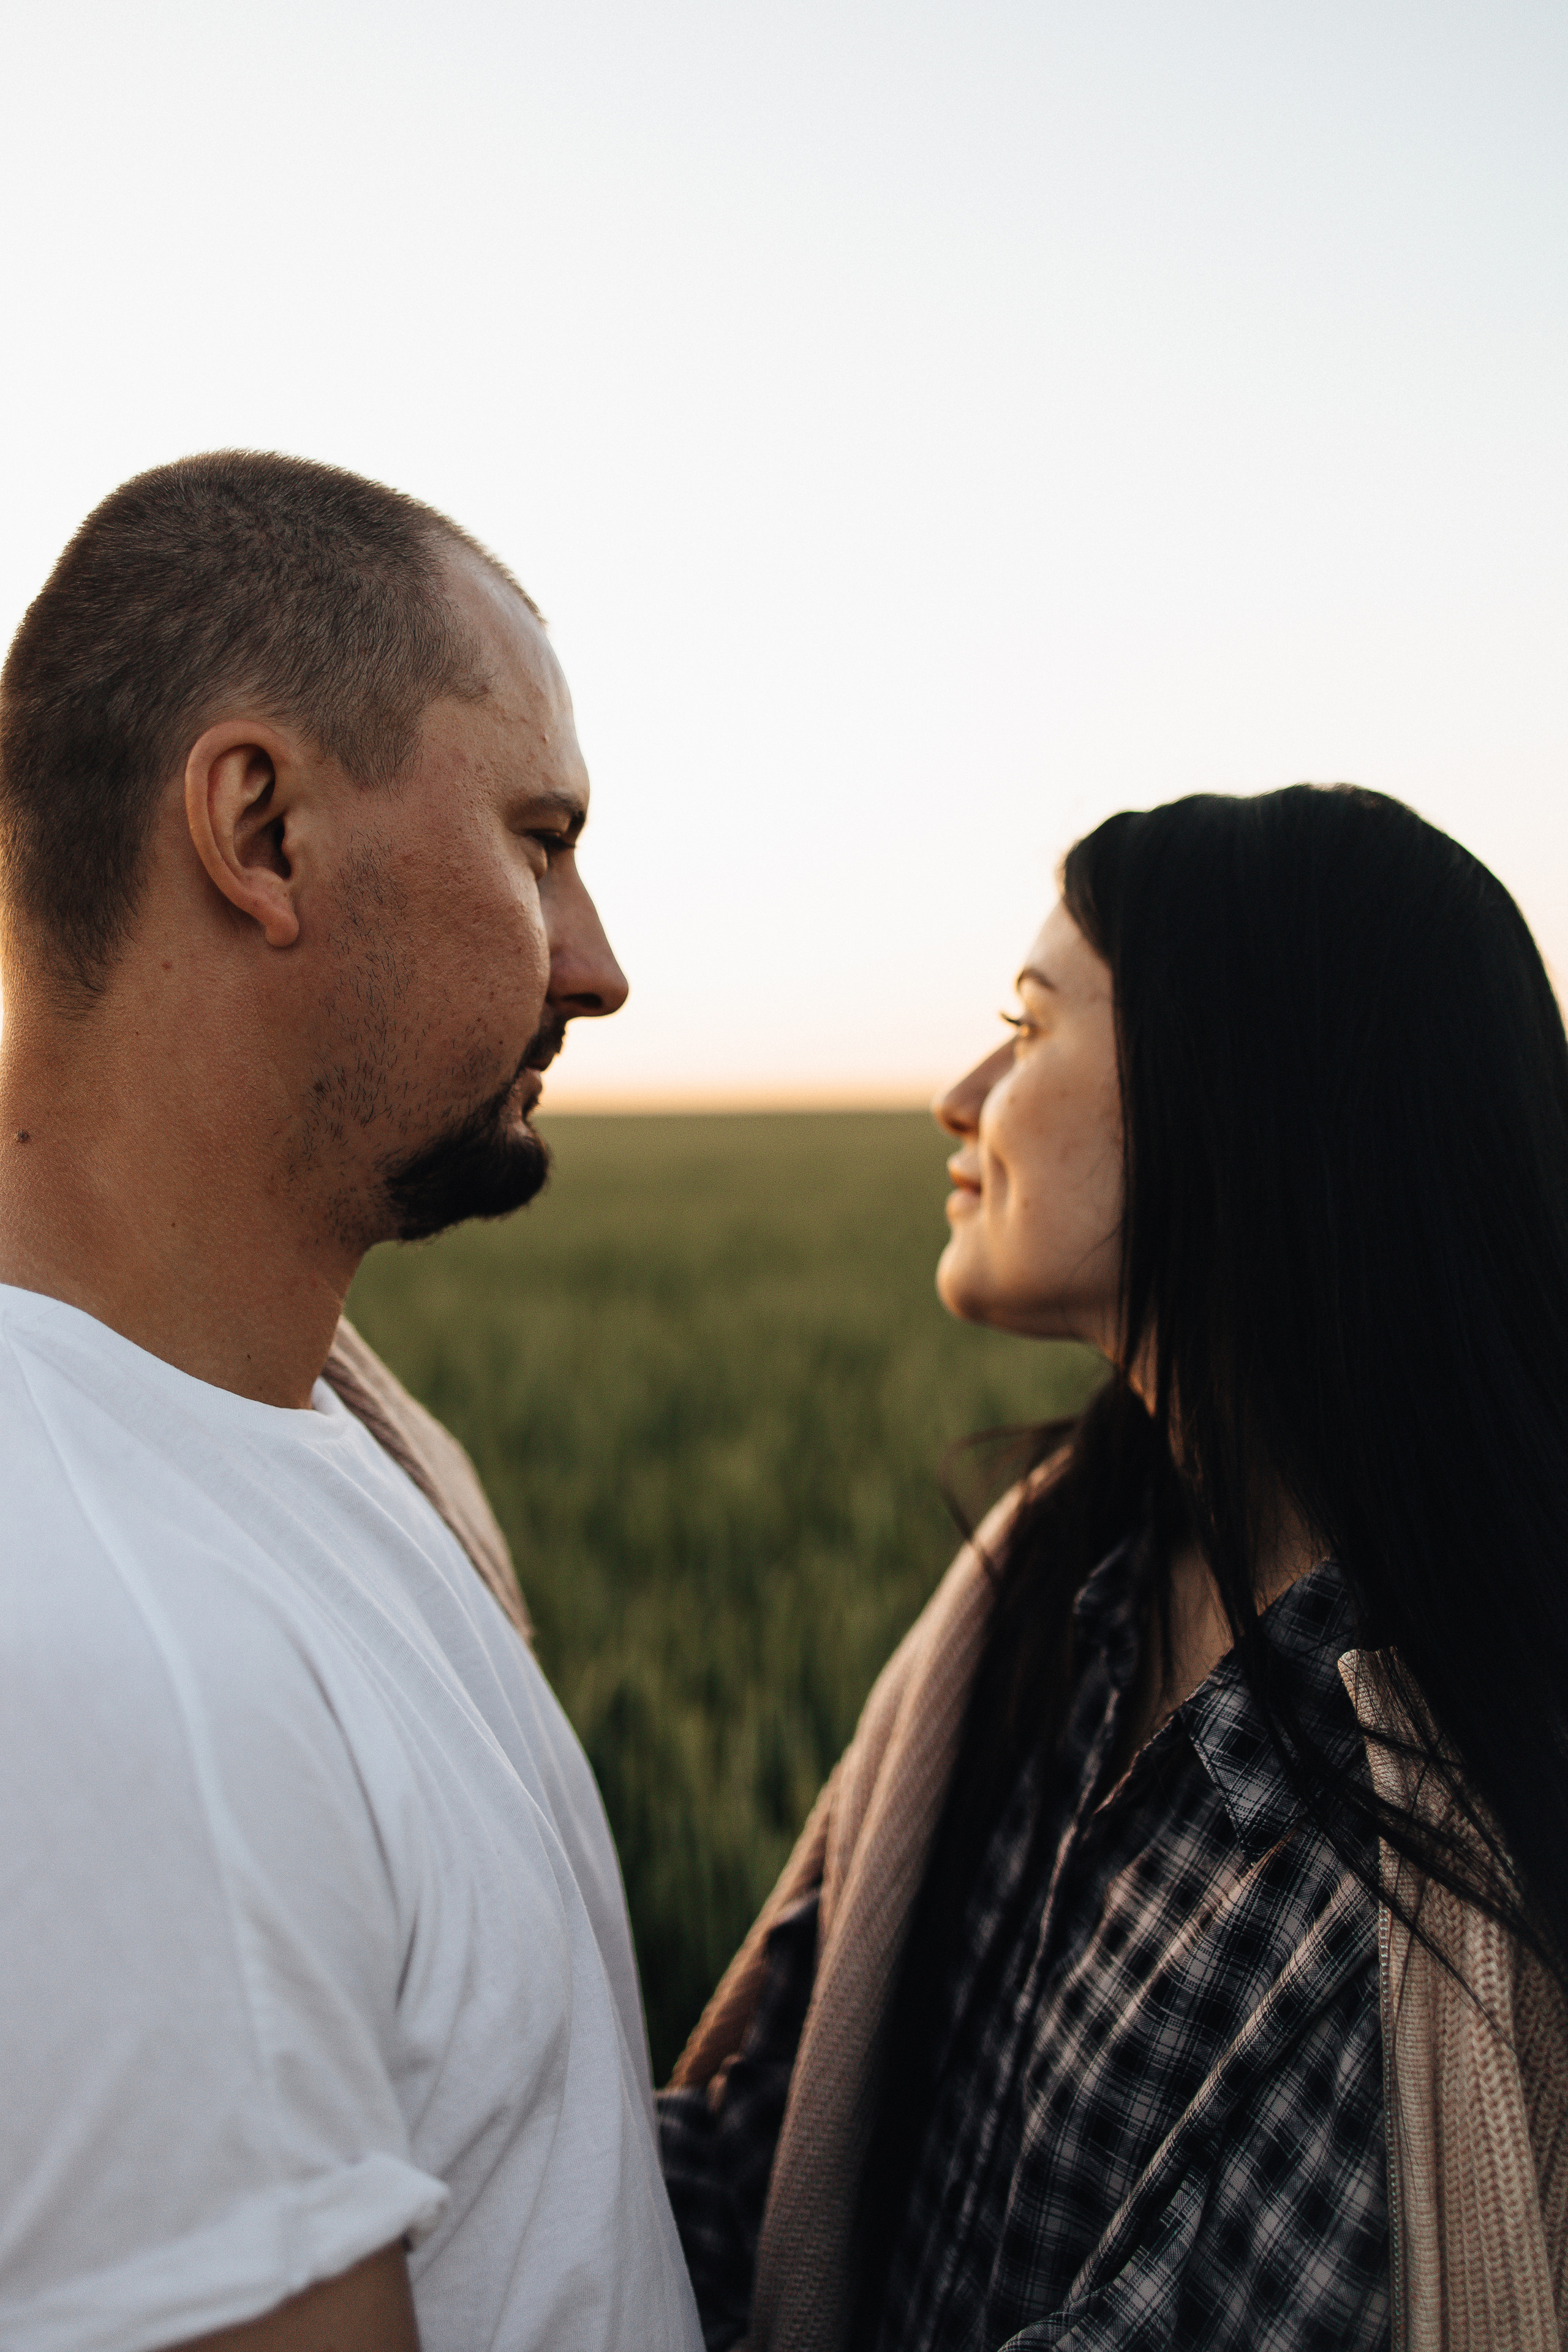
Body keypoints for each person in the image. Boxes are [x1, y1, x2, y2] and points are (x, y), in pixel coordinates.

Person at [659, 784, 1568, 2352]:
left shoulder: (1404, 1867)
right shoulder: (1049, 1587)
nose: (959, 1093)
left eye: (1026, 1025)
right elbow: (752, 2137)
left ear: (1240, 1098)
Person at [0, 454, 703, 2352]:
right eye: (537, 839)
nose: (599, 963)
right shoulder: (101, 1652)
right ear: (262, 829)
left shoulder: (308, 1431)